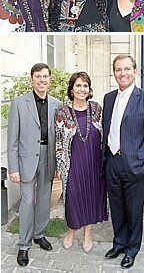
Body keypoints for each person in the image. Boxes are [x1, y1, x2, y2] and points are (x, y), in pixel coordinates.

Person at [102, 54, 144, 269]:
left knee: (134, 210)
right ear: (114, 72)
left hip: (135, 165)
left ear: (135, 71)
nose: (122, 73)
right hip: (112, 162)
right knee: (116, 207)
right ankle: (119, 242)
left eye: (127, 69)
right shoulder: (109, 98)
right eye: (118, 70)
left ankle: (132, 248)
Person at [7, 63, 62, 266]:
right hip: (26, 160)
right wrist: (13, 167)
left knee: (45, 200)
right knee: (28, 202)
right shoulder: (19, 103)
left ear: (49, 79)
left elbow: (59, 138)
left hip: (48, 157)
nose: (42, 80)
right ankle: (23, 245)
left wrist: (58, 163)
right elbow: (12, 138)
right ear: (32, 79)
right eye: (38, 76)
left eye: (45, 76)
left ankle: (39, 234)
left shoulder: (57, 104)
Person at [55, 71, 108, 252]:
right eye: (78, 85)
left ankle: (88, 234)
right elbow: (59, 142)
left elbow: (105, 137)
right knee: (73, 199)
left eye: (85, 85)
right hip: (73, 164)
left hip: (94, 164)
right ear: (71, 89)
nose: (82, 89)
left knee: (93, 198)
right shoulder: (62, 112)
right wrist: (61, 167)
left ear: (89, 89)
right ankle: (71, 231)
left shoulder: (97, 109)